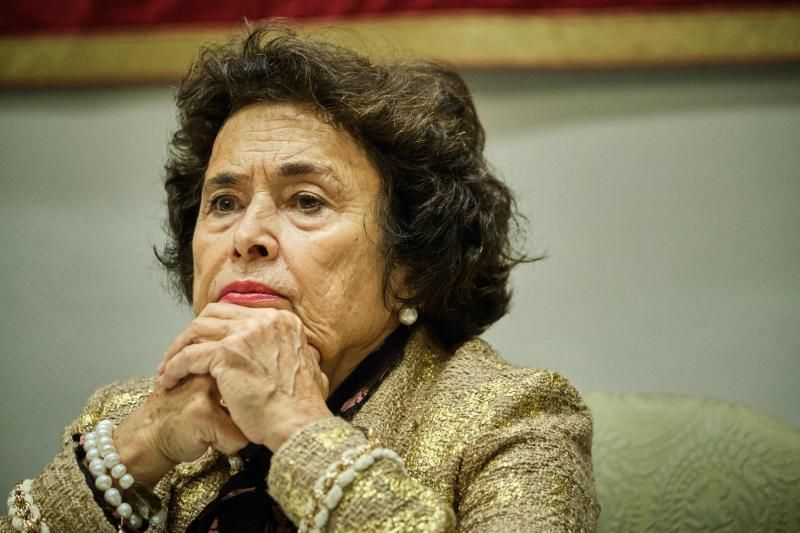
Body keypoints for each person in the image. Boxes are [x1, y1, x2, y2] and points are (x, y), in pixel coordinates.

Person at [2, 24, 598, 533]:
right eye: (225, 202)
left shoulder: (516, 417)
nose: (246, 235)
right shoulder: (128, 411)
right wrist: (143, 443)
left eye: (306, 201)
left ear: (412, 264)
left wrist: (293, 427)